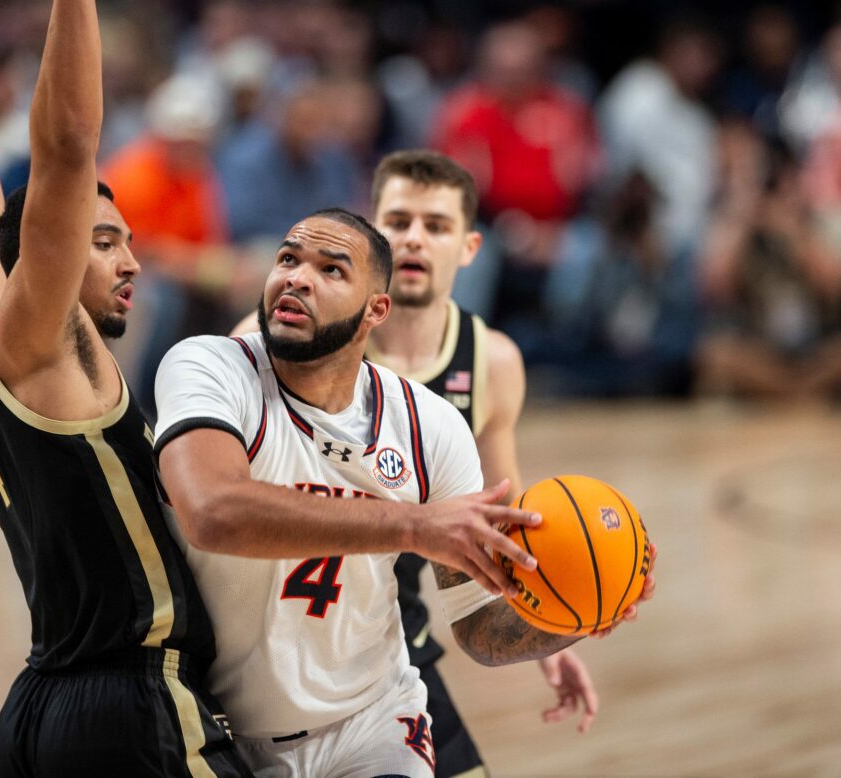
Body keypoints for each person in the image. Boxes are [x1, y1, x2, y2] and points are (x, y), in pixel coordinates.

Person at [156, 207, 655, 776]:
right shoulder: (207, 367)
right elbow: (213, 513)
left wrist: (577, 614)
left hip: (372, 724)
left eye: (331, 269)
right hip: (216, 728)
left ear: (377, 310)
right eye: (288, 258)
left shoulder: (431, 427)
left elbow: (481, 628)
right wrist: (414, 524)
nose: (296, 277)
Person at [0, 10, 251, 776]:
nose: (129, 261)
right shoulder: (47, 339)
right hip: (131, 701)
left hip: (37, 707)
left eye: (126, 240)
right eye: (101, 242)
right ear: (46, 258)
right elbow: (64, 147)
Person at [366, 150, 606, 773]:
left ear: (469, 247)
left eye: (437, 225)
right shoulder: (313, 340)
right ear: (370, 230)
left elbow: (505, 520)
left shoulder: (492, 361)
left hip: (397, 639)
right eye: (398, 219)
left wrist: (548, 630)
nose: (414, 237)